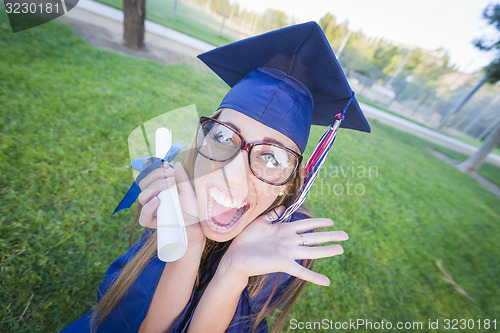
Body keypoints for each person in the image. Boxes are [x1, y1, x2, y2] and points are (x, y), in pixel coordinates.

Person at [62, 21, 370, 333]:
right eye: (223, 137)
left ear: (290, 183)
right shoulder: (180, 194)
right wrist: (190, 236)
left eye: (273, 157)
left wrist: (233, 273)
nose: (231, 176)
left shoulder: (287, 245)